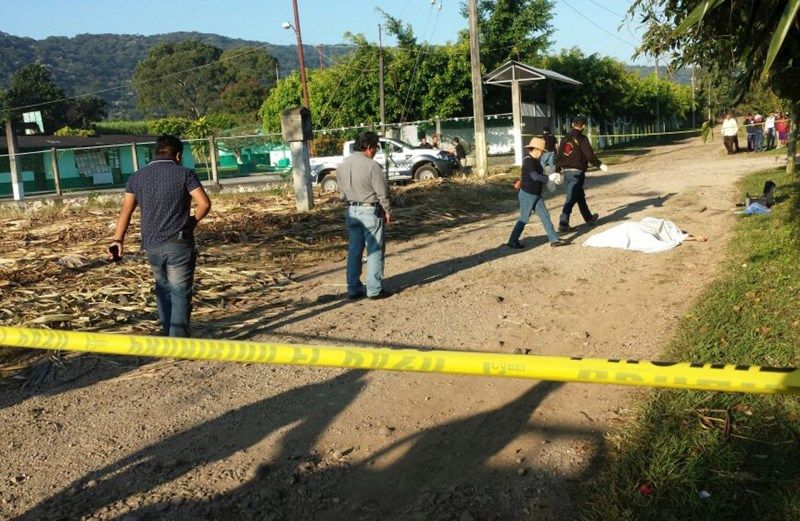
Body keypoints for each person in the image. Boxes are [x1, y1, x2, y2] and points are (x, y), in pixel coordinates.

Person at [109, 135, 211, 337]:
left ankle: (167, 335)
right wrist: (192, 222)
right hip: (179, 243)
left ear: (155, 152)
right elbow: (204, 204)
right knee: (180, 292)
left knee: (163, 289)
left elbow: (125, 212)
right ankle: (178, 342)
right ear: (178, 155)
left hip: (152, 245)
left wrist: (117, 239)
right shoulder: (184, 174)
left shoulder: (136, 177)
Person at [338, 131, 393, 300]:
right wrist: (387, 210)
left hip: (351, 211)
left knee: (354, 250)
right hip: (370, 211)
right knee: (374, 250)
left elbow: (341, 194)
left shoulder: (342, 165)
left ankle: (353, 288)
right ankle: (375, 289)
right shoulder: (372, 166)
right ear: (369, 147)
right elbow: (382, 192)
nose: (376, 151)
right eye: (376, 147)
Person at [507, 137, 565, 249]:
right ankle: (512, 241)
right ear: (536, 150)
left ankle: (554, 239)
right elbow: (535, 176)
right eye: (542, 152)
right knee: (524, 218)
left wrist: (551, 180)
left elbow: (537, 176)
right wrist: (550, 178)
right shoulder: (528, 161)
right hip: (527, 194)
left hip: (536, 194)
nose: (543, 154)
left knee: (545, 216)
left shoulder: (535, 161)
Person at [554, 116, 607, 233]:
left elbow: (559, 157)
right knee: (571, 197)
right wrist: (599, 164)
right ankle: (563, 222)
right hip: (577, 173)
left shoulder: (564, 139)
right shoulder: (583, 139)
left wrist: (557, 171)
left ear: (572, 124)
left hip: (566, 172)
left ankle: (589, 218)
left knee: (579, 196)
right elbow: (589, 156)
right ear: (583, 126)